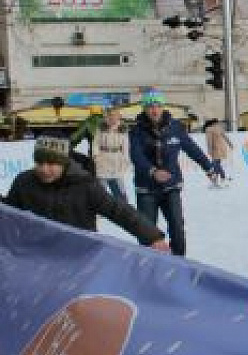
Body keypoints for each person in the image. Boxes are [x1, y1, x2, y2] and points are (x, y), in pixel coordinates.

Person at [5, 136, 169, 251]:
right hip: (37, 253)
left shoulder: (85, 185)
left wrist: (152, 236)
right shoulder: (24, 181)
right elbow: (9, 213)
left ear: (64, 163)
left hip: (78, 255)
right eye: (39, 163)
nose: (44, 169)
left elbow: (119, 210)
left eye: (51, 163)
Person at [129, 91, 217, 257]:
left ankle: (178, 262)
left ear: (163, 107)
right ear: (144, 109)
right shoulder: (137, 130)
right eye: (150, 107)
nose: (154, 110)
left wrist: (208, 167)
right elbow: (136, 155)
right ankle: (149, 265)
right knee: (147, 233)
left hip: (171, 186)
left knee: (177, 229)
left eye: (158, 106)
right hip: (146, 189)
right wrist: (153, 171)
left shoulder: (175, 127)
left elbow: (192, 148)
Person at [92, 107, 131, 203]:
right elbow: (95, 143)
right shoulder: (101, 128)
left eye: (115, 115)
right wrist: (95, 156)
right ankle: (100, 206)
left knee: (118, 186)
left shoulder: (122, 129)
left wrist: (125, 160)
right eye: (110, 115)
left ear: (119, 116)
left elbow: (125, 146)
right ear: (107, 116)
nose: (112, 117)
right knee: (101, 187)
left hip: (116, 159)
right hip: (103, 159)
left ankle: (123, 206)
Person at [202, 119, 234, 188]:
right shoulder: (219, 128)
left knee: (215, 165)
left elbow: (209, 140)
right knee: (217, 164)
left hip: (215, 149)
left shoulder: (208, 129)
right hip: (222, 148)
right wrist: (230, 144)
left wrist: (210, 150)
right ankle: (217, 180)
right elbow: (225, 137)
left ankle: (222, 178)